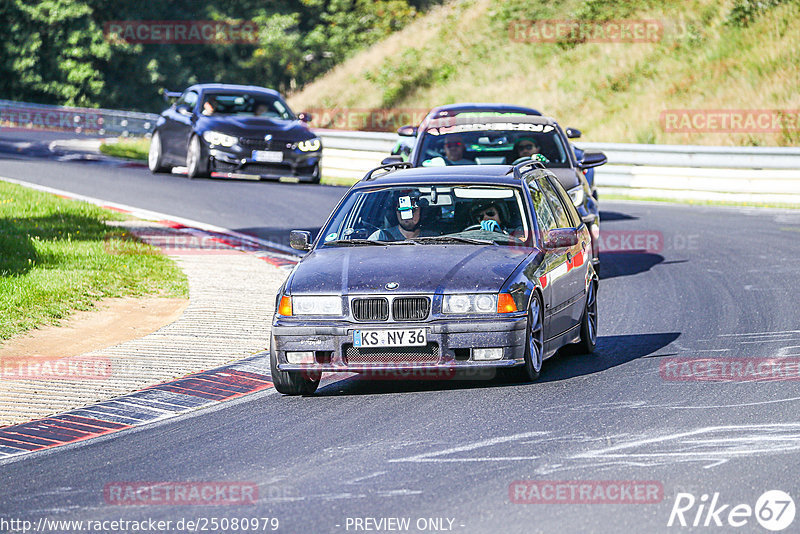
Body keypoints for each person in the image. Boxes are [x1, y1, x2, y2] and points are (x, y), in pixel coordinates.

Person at [369, 192, 434, 241]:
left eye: (412, 210)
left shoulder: (434, 239)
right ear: (395, 213)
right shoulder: (379, 238)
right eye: (402, 210)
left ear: (421, 212)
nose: (407, 216)